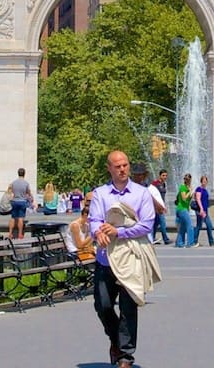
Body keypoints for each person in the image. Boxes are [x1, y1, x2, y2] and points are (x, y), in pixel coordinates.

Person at [86, 151, 158, 368]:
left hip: (131, 258)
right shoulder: (100, 194)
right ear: (109, 168)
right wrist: (98, 232)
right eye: (117, 166)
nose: (122, 169)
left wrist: (118, 232)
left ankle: (125, 356)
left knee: (128, 308)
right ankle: (116, 340)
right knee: (103, 305)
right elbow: (94, 220)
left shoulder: (141, 193)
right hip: (105, 259)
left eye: (125, 165)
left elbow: (147, 224)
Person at [8, 168, 34, 239]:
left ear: (18, 173)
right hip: (22, 201)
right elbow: (28, 193)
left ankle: (10, 233)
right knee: (20, 218)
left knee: (13, 218)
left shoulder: (14, 183)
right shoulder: (26, 183)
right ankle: (20, 234)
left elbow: (11, 191)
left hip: (14, 201)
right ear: (24, 174)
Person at [193, 176, 214, 246]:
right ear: (201, 181)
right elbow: (198, 199)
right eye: (203, 181)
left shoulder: (205, 190)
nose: (204, 182)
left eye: (206, 181)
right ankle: (195, 241)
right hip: (201, 211)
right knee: (199, 226)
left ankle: (211, 241)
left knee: (208, 225)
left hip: (205, 211)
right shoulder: (199, 189)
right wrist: (201, 209)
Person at [174, 174, 197, 248]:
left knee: (183, 227)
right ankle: (190, 243)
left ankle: (179, 243)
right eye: (186, 179)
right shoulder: (182, 187)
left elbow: (188, 200)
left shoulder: (188, 187)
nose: (187, 180)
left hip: (184, 209)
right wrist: (189, 192)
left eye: (188, 179)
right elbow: (184, 198)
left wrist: (192, 194)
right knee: (190, 225)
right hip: (181, 209)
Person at [151, 170, 172, 245]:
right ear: (160, 176)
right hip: (156, 207)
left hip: (161, 206)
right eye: (163, 175)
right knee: (162, 222)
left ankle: (152, 238)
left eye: (166, 175)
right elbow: (151, 194)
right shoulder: (155, 184)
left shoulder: (163, 184)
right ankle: (165, 239)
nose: (165, 177)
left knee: (156, 223)